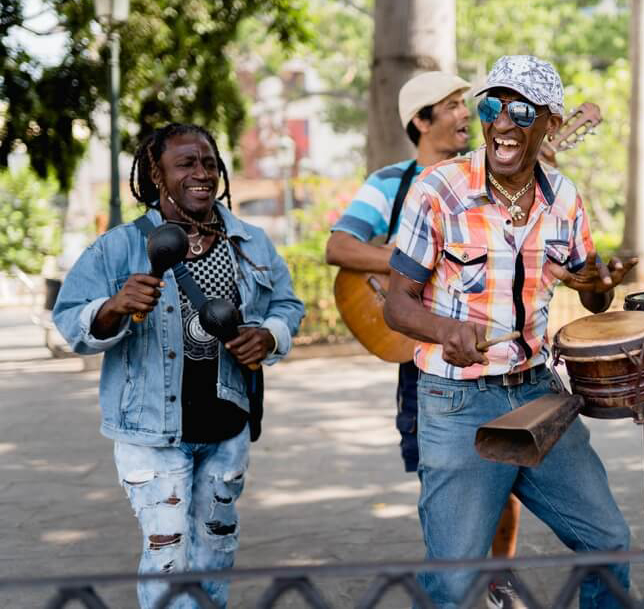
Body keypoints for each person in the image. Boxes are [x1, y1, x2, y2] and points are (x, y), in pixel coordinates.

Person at [385, 55, 637, 609]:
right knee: (454, 583)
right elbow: (397, 306)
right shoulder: (439, 189)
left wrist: (596, 284)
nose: (502, 121)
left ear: (549, 120)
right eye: (492, 105)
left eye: (521, 109)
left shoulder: (564, 197)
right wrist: (446, 329)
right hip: (456, 401)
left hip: (535, 393)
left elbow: (592, 292)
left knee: (608, 543)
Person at [53, 123, 304, 609]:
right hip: (151, 431)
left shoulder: (248, 241)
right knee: (168, 556)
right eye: (186, 164)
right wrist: (113, 307)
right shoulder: (120, 247)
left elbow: (288, 305)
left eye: (209, 163)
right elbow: (68, 322)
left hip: (227, 423)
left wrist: (269, 335)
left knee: (216, 552)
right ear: (157, 174)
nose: (202, 174)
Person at [325, 70, 526, 606]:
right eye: (453, 105)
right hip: (421, 359)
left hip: (490, 359)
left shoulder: (487, 176)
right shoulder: (391, 182)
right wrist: (411, 261)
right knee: (442, 483)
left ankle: (497, 585)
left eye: (465, 104)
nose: (467, 114)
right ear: (420, 120)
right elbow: (340, 247)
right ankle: (457, 588)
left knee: (505, 472)